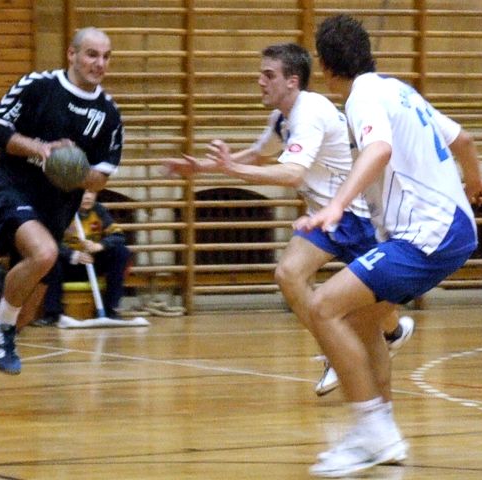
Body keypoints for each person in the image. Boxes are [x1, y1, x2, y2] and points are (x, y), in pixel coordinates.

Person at [294, 15, 482, 477]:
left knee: (323, 308)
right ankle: (381, 433)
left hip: (427, 234)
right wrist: (476, 181)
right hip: (454, 228)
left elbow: (379, 149)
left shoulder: (361, 98)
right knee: (361, 321)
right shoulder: (398, 90)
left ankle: (372, 433)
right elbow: (463, 139)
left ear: (325, 66)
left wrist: (335, 205)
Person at [164, 43, 415, 397]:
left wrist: (232, 169)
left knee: (374, 307)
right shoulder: (282, 118)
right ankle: (339, 348)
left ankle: (391, 338)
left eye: (269, 75)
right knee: (289, 274)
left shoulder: (309, 112)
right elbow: (258, 154)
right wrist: (203, 168)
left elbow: (292, 173)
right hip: (325, 217)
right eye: (261, 74)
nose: (260, 81)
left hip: (358, 215)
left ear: (292, 81)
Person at [0, 27, 124, 403]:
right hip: (11, 192)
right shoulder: (38, 86)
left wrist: (72, 167)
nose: (99, 63)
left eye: (106, 56)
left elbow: (99, 177)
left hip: (55, 212)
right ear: (71, 54)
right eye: (92, 54)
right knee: (45, 253)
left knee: (26, 312)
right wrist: (41, 150)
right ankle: (1, 333)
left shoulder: (109, 115)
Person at [35, 189, 131, 325]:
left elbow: (118, 236)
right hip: (68, 266)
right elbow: (50, 240)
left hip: (92, 263)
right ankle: (52, 314)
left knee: (121, 252)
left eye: (91, 193)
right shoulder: (62, 212)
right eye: (84, 193)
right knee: (52, 258)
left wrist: (99, 246)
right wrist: (73, 255)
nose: (88, 197)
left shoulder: (99, 211)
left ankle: (111, 309)